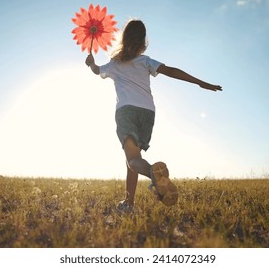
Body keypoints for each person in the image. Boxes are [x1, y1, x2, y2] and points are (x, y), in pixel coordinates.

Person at [85, 20, 222, 213]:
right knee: (132, 160)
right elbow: (171, 71)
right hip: (147, 114)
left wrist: (91, 64)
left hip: (126, 112)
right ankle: (129, 203)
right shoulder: (145, 61)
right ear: (143, 42)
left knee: (133, 160)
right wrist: (200, 83)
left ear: (123, 40)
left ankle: (153, 175)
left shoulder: (115, 64)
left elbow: (98, 70)